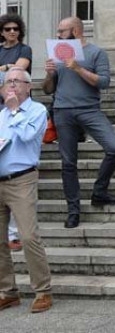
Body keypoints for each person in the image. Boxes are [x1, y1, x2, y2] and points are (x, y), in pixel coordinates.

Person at [42, 17, 115, 229]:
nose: (59, 34)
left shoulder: (96, 52)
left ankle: (99, 191)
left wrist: (78, 68)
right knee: (68, 163)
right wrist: (50, 74)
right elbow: (47, 89)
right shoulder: (57, 53)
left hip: (89, 109)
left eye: (62, 30)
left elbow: (104, 82)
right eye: (58, 30)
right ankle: (73, 210)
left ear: (76, 31)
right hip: (62, 111)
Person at [0, 67, 53, 313]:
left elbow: (30, 136)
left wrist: (14, 110)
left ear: (28, 86)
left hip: (22, 179)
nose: (11, 85)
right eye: (7, 81)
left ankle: (42, 290)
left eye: (16, 81)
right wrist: (8, 111)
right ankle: (8, 291)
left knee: (29, 236)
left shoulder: (37, 110)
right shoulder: (1, 115)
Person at [0, 13, 31, 253]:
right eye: (8, 29)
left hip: (16, 110)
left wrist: (6, 69)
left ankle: (12, 234)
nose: (12, 32)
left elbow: (20, 71)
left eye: (15, 29)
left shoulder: (24, 48)